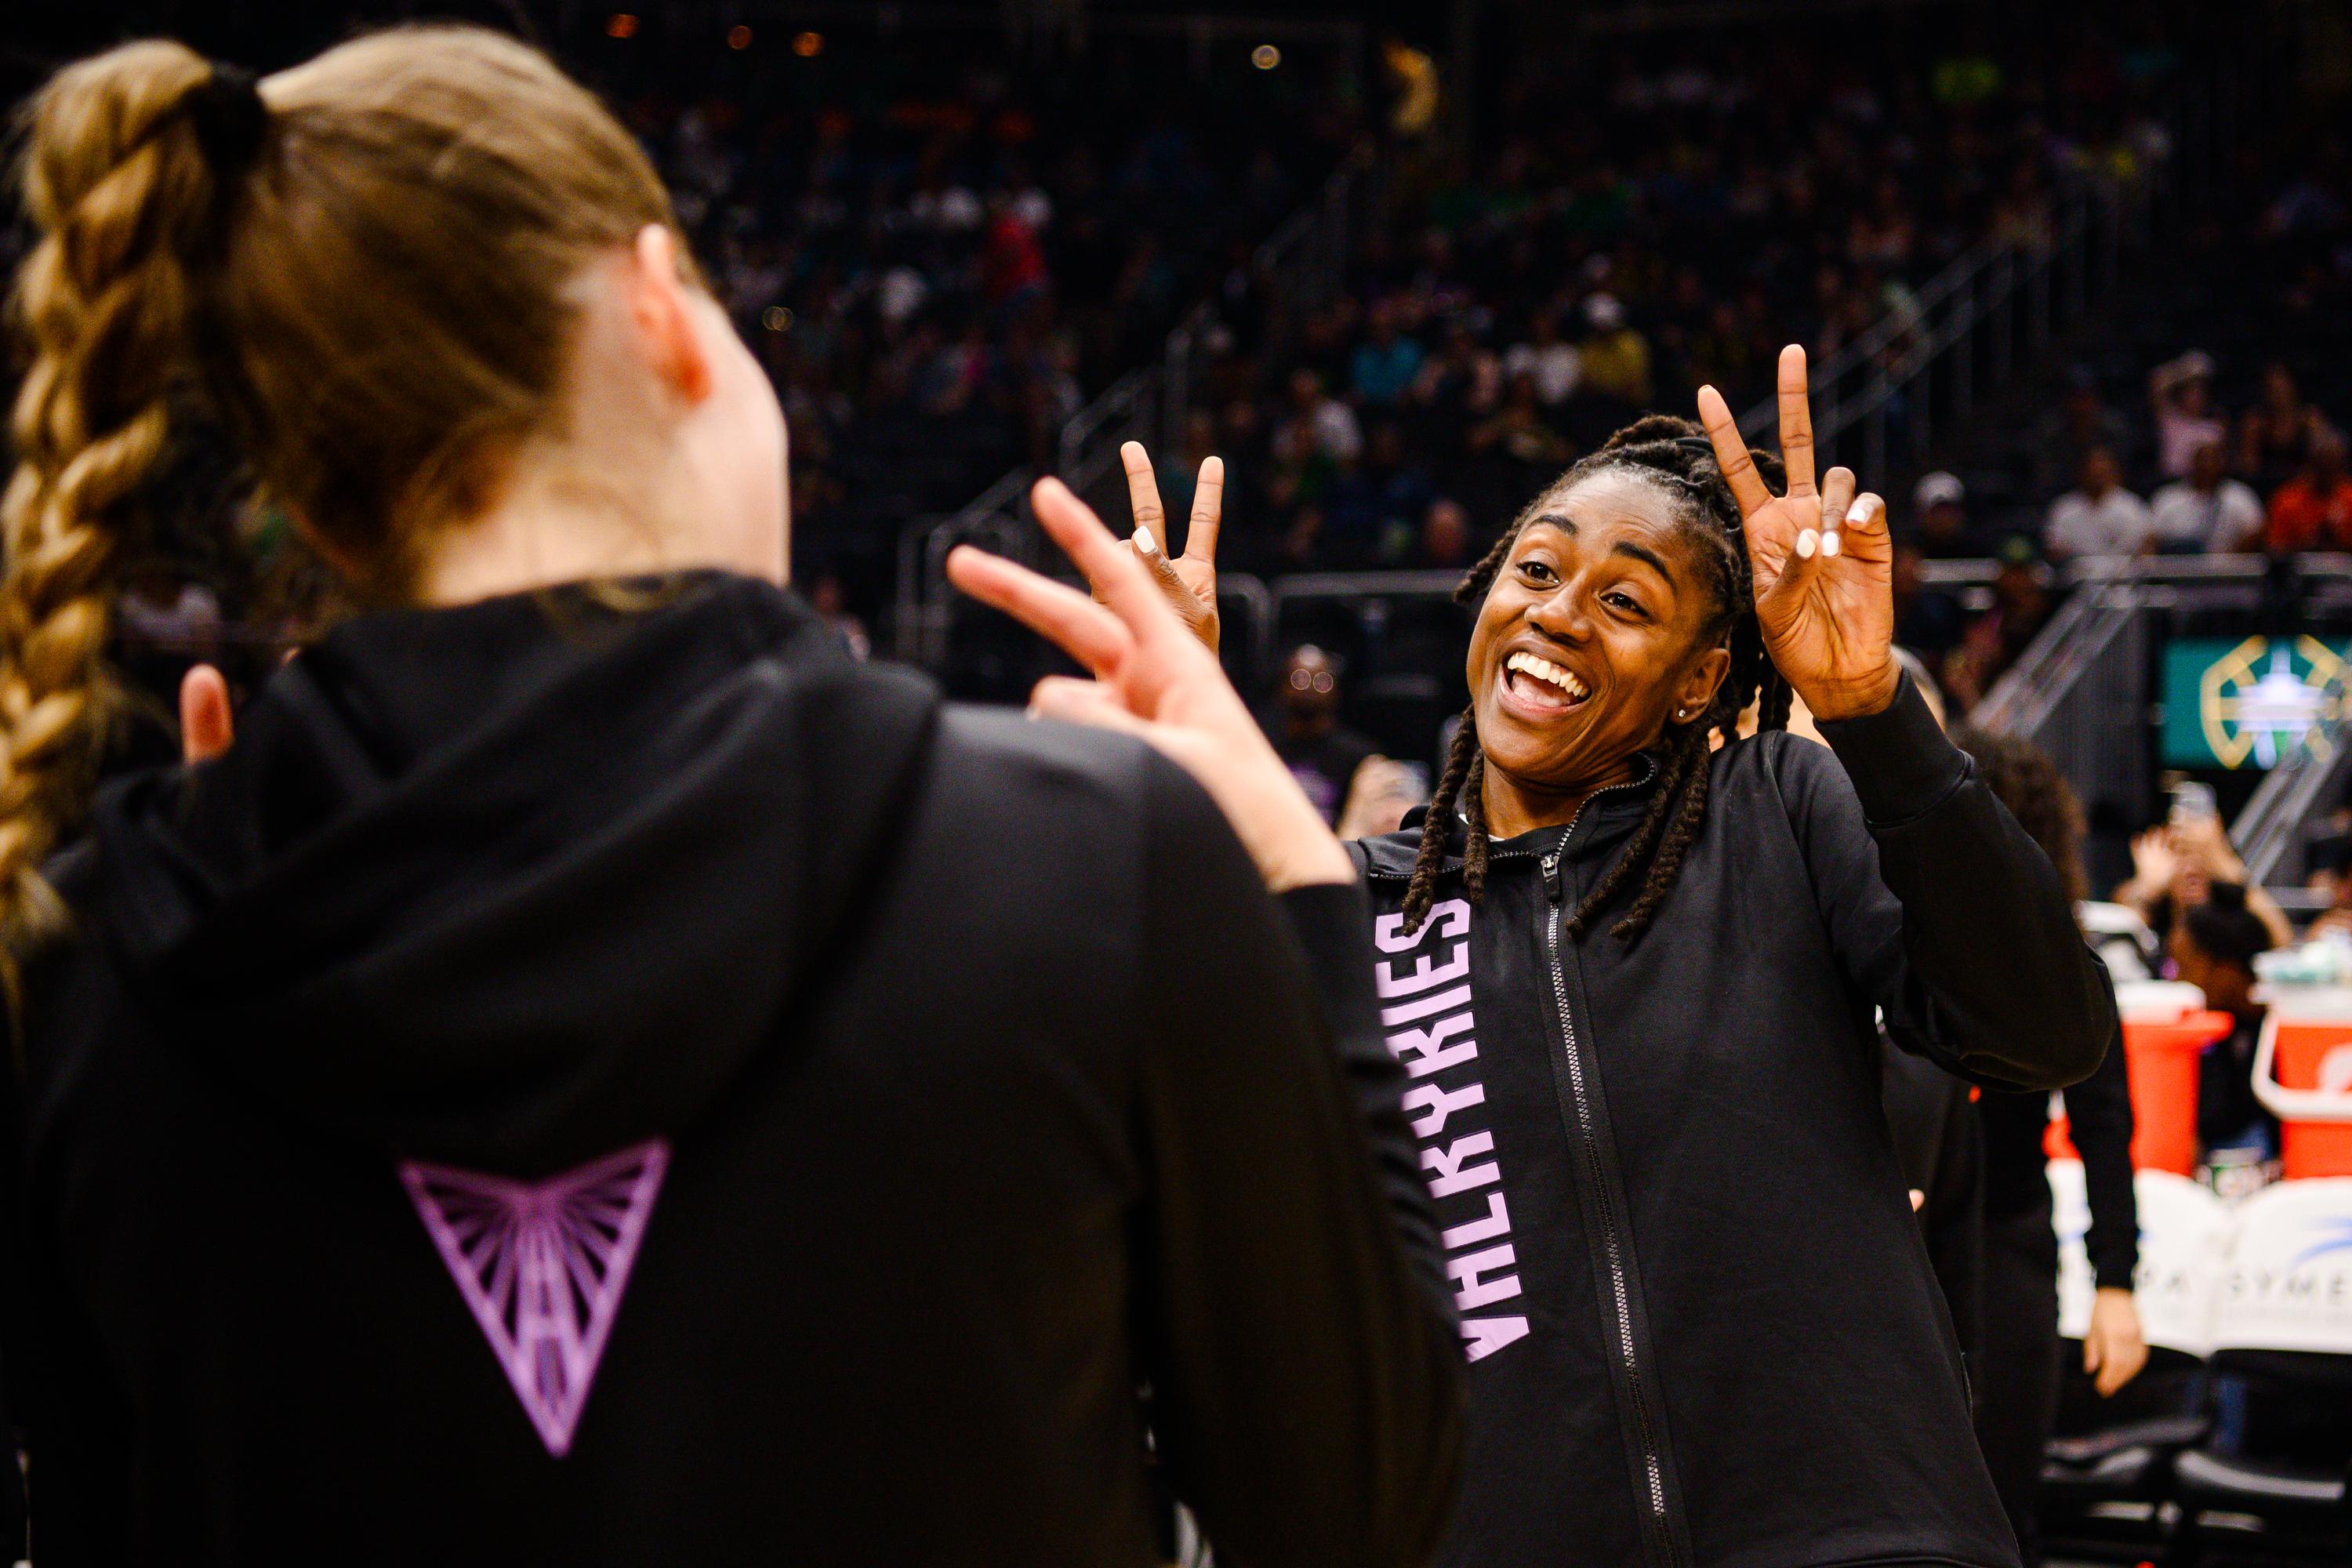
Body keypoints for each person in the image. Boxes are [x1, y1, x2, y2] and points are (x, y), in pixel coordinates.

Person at [1, 33, 1465, 1564]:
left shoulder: (99, 969)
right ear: (658, 304)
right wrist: (1296, 882)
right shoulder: (1092, 858)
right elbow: (1357, 1506)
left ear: (310, 498)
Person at [964, 346, 2118, 1568]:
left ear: (1699, 683)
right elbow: (1092, 1135)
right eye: (1538, 567)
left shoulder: (1780, 806)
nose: (1560, 614)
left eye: (1628, 602)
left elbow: (2041, 1029)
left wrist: (1872, 708)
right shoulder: (1352, 909)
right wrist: (1161, 779)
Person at [1952, 731, 2145, 1568]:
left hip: (2007, 1243)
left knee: (2000, 1509)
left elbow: (2105, 1128)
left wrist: (2116, 1280)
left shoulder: (2063, 965)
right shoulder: (1888, 944)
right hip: (1912, 1245)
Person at [2168, 884, 2279, 1167]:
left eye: (2184, 967)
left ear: (2226, 972)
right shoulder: (2207, 1032)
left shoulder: (2281, 1032)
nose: (2176, 980)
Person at [1271, 644, 1381, 826]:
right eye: (1300, 679)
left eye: (1322, 681)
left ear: (1336, 691)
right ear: (1282, 688)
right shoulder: (1263, 748)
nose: (1310, 688)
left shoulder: (1360, 756)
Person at [2150, 438, 2265, 553]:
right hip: (2178, 568)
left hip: (2228, 567)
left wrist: (2230, 558)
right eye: (2202, 460)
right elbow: (2151, 539)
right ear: (2192, 463)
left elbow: (2256, 531)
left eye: (2212, 460)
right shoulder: (2168, 497)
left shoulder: (2240, 496)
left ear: (2222, 463)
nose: (2206, 465)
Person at [2044, 447, 2154, 561]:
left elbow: (2147, 543)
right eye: (2093, 473)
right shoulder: (2064, 508)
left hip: (2124, 575)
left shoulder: (2132, 505)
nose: (2097, 478)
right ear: (2082, 474)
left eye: (2102, 473)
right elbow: (2054, 550)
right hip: (2078, 574)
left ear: (2114, 473)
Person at [2238, 361, 2323, 495]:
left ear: (2293, 387)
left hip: (2303, 491)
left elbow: (2320, 460)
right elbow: (2248, 469)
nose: (2277, 395)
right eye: (2272, 389)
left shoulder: (2309, 418)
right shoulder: (2255, 422)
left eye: (2281, 388)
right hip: (2265, 490)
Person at [2263, 428, 2352, 554]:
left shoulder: (2349, 497)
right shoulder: (2287, 500)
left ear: (2343, 466)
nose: (2328, 473)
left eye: (2334, 466)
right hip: (2299, 570)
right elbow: (2275, 549)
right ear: (2311, 465)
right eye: (2323, 466)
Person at [2148, 350, 2229, 481]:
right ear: (2180, 395)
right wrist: (2185, 369)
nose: (2196, 398)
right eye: (2190, 392)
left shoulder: (2214, 427)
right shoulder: (2170, 419)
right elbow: (2156, 381)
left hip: (2206, 483)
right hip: (2174, 484)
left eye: (2200, 393)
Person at [1913, 470, 1990, 558]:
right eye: (1936, 512)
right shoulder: (1909, 550)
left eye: (1948, 511)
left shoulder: (1980, 550)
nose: (1943, 518)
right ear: (1921, 515)